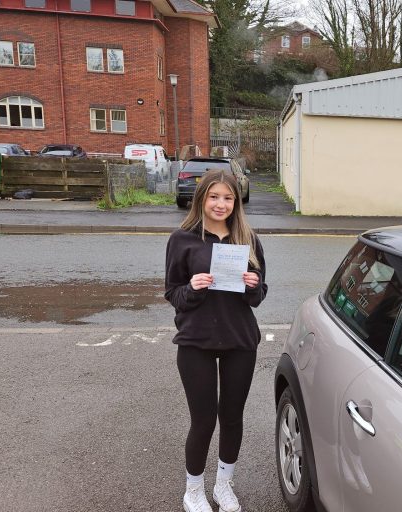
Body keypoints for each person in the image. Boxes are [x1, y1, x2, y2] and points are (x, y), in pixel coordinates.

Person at [165, 170, 267, 512]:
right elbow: (172, 293)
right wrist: (192, 288)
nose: (220, 204)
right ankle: (193, 490)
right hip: (196, 341)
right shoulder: (182, 239)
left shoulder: (248, 239)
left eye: (228, 197)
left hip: (239, 340)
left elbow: (259, 295)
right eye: (214, 196)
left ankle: (224, 485)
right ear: (201, 199)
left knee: (232, 416)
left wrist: (253, 285)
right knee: (204, 419)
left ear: (236, 201)